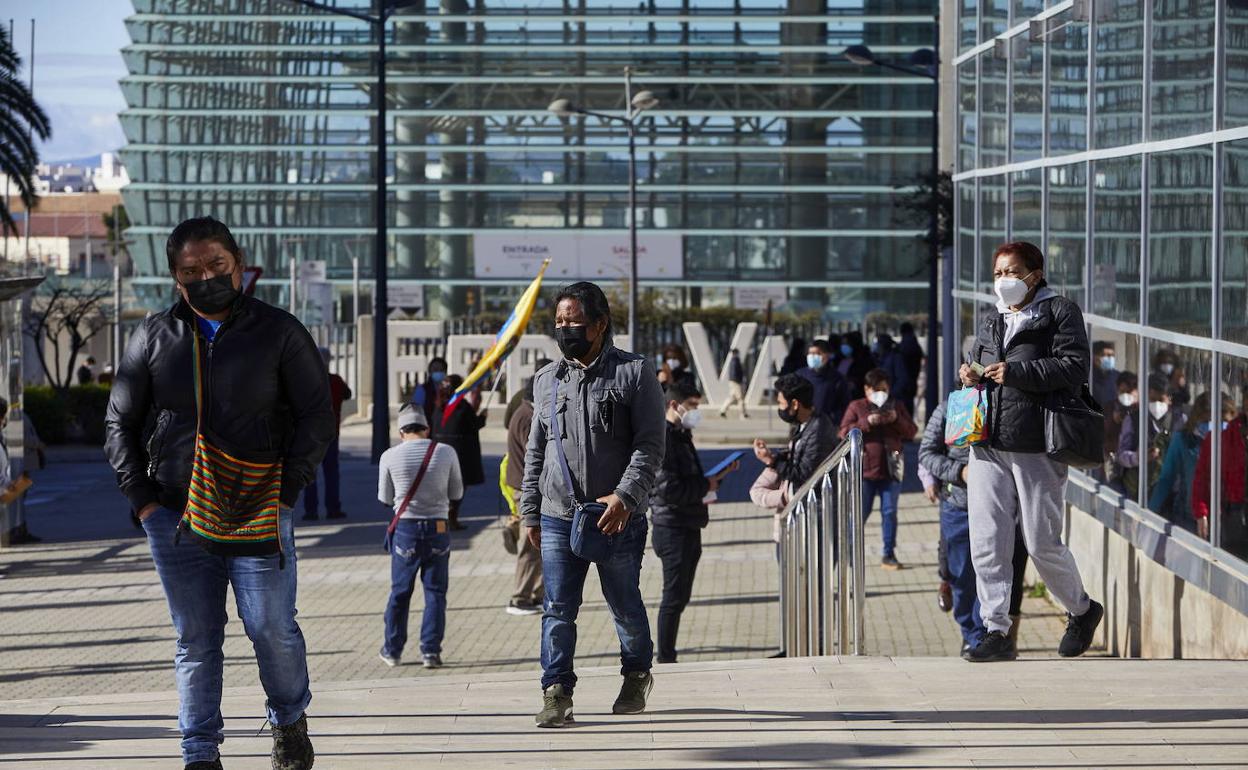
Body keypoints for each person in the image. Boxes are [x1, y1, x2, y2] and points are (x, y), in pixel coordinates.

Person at [104, 216, 335, 769]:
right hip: (175, 514)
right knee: (196, 638)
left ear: (238, 265)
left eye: (216, 265)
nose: (205, 277)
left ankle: (289, 720)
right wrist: (144, 501)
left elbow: (317, 415)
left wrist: (288, 490)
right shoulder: (153, 336)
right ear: (175, 277)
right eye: (191, 271)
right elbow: (118, 422)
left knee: (271, 628)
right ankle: (199, 751)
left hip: (259, 506)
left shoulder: (278, 331)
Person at [520, 281, 666, 728]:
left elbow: (649, 445)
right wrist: (529, 510)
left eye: (574, 322)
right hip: (558, 514)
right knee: (557, 607)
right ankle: (556, 690)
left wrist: (625, 497)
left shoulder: (634, 373)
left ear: (600, 325)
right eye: (559, 322)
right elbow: (536, 450)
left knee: (624, 604)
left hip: (616, 517)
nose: (565, 329)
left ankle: (636, 673)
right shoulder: (546, 380)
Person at [960, 240, 1103, 663]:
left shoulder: (1060, 312)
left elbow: (1075, 366)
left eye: (1012, 272)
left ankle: (1082, 610)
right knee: (987, 541)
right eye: (998, 273)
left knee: (1041, 541)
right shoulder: (993, 319)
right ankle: (996, 630)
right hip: (987, 442)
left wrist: (1018, 373)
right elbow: (978, 363)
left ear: (1035, 275)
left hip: (1036, 442)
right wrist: (969, 374)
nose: (1003, 280)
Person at [651, 380, 737, 664]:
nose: (697, 412)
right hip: (671, 526)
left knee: (681, 595)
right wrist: (704, 485)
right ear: (674, 405)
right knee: (673, 597)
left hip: (688, 522)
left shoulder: (681, 434)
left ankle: (668, 654)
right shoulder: (663, 438)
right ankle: (666, 658)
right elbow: (668, 489)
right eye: (693, 406)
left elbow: (688, 479)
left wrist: (715, 480)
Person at [378, 404, 463, 669]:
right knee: (435, 592)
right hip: (439, 527)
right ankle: (431, 652)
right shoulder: (446, 452)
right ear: (427, 428)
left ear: (401, 431)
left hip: (406, 529)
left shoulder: (389, 456)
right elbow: (457, 492)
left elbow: (385, 497)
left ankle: (392, 650)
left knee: (400, 591)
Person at [918, 399, 985, 657]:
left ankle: (988, 634)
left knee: (993, 572)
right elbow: (926, 453)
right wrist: (960, 472)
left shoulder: (1004, 402)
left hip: (999, 507)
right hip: (959, 506)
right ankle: (972, 634)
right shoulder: (952, 408)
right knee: (963, 575)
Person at [838, 368, 917, 570]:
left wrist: (896, 419)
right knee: (859, 514)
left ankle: (888, 554)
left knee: (889, 512)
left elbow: (912, 431)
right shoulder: (857, 407)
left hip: (891, 469)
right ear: (866, 389)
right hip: (864, 471)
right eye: (876, 389)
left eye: (884, 389)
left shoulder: (896, 405)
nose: (881, 393)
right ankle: (849, 552)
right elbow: (843, 433)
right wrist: (866, 422)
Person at [750, 373, 839, 549]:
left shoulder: (818, 432)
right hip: (803, 513)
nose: (780, 408)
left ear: (795, 404)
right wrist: (776, 457)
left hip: (812, 518)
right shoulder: (804, 424)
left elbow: (803, 474)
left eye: (781, 403)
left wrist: (771, 461)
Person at [504, 371, 542, 616]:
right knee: (530, 545)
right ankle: (520, 597)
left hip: (525, 486)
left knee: (538, 546)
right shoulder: (528, 417)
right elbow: (535, 455)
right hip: (526, 489)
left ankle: (538, 594)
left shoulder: (525, 412)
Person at [1149, 392, 1215, 531]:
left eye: (1213, 420)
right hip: (1187, 518)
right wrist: (1149, 513)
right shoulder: (1183, 440)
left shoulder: (1228, 441)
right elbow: (1166, 479)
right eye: (1205, 420)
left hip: (1222, 520)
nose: (1209, 425)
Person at [303, 346, 352, 521]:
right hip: (330, 434)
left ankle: (311, 511)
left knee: (310, 474)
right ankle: (333, 508)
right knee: (331, 473)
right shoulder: (336, 381)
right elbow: (348, 394)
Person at [1118, 373, 1179, 501]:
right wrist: (1137, 457)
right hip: (1138, 490)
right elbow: (1121, 454)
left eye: (1161, 400)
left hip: (1169, 493)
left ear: (1169, 399)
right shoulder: (1132, 420)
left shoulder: (1179, 420)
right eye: (1152, 400)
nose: (1156, 404)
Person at [1191, 398, 1245, 543]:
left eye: (1224, 420)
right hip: (1230, 518)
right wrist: (1201, 512)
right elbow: (1201, 479)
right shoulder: (1215, 440)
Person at [436, 373, 485, 531]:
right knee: (457, 491)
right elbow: (473, 425)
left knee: (443, 493)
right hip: (460, 456)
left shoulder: (439, 407)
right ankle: (449, 521)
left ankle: (442, 527)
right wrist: (482, 418)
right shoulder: (462, 407)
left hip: (439, 456)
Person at [796, 339, 850, 425]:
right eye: (810, 353)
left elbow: (844, 404)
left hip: (827, 426)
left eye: (816, 354)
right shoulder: (800, 375)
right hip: (803, 423)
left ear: (827, 355)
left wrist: (831, 419)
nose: (812, 356)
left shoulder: (837, 378)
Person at [1103, 371, 1138, 489]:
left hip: (1133, 469)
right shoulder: (1109, 407)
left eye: (1129, 392)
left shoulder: (1140, 412)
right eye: (1122, 392)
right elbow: (1102, 436)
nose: (1125, 396)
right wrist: (1113, 421)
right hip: (1113, 466)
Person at [873, 334, 913, 421]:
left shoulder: (895, 358)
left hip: (894, 399)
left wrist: (891, 393)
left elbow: (902, 379)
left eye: (878, 343)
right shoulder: (879, 359)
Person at [836, 330, 873, 401]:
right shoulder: (839, 360)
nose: (843, 346)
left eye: (846, 343)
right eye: (842, 343)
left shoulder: (864, 362)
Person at [412, 356, 448, 427]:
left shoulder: (449, 390)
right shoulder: (422, 390)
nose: (438, 372)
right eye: (435, 369)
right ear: (430, 372)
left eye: (441, 370)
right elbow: (416, 412)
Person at [898, 322, 924, 417]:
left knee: (904, 410)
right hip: (912, 381)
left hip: (905, 383)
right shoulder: (915, 344)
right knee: (908, 410)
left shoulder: (906, 345)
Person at [718, 348, 750, 419]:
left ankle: (722, 410)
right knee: (740, 398)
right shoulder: (736, 361)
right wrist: (740, 381)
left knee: (732, 397)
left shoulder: (733, 361)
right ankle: (743, 414)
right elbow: (736, 373)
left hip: (732, 382)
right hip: (736, 382)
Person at [1091, 341, 1119, 408]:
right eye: (1107, 355)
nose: (1111, 358)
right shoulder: (1089, 376)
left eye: (1112, 355)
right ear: (1095, 357)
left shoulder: (1117, 376)